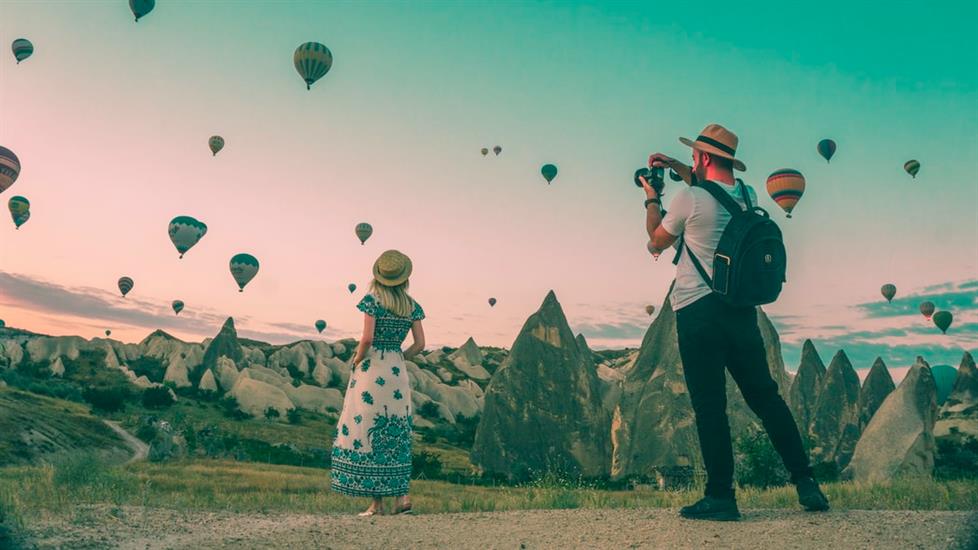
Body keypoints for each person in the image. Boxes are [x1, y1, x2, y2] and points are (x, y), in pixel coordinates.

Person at [640, 123, 829, 521]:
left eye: (694, 155)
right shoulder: (747, 196)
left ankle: (721, 496)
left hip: (698, 311)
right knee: (766, 398)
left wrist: (651, 198)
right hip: (742, 312)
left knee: (710, 406)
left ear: (705, 157)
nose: (691, 161)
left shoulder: (688, 199)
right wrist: (675, 165)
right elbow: (711, 189)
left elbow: (657, 240)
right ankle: (806, 481)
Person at [330, 249, 426, 516]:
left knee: (369, 428)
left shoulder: (372, 301)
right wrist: (400, 357)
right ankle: (402, 498)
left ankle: (377, 504)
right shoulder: (412, 306)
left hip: (372, 371)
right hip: (396, 372)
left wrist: (357, 359)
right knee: (397, 430)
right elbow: (420, 344)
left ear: (378, 277)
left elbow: (367, 339)